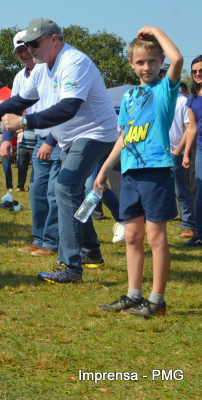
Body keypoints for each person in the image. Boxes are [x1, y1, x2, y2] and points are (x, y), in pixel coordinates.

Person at [0, 17, 119, 284]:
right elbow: (22, 100)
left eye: (34, 43)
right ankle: (91, 251)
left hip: (95, 135)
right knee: (72, 192)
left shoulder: (74, 62)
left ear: (54, 39)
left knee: (64, 189)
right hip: (71, 138)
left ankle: (71, 266)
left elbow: (67, 108)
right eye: (26, 44)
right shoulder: (42, 67)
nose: (29, 49)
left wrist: (24, 121)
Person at [95, 26, 182, 318]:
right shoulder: (130, 98)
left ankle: (157, 301)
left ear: (160, 64)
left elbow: (179, 59)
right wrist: (106, 168)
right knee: (132, 236)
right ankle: (134, 295)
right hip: (130, 173)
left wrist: (156, 31)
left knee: (156, 237)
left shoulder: (164, 91)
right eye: (140, 62)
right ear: (131, 65)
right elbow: (125, 137)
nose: (147, 67)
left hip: (156, 172)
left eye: (152, 61)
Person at [0, 31, 61, 257]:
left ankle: (53, 242)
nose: (25, 53)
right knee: (36, 191)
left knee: (55, 193)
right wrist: (7, 139)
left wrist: (52, 141)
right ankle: (39, 239)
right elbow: (14, 107)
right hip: (37, 138)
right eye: (20, 51)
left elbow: (62, 110)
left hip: (59, 138)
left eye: (28, 47)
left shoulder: (52, 71)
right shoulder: (20, 77)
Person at [167, 69, 195, 238]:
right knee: (157, 188)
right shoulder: (157, 99)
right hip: (158, 152)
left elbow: (189, 129)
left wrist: (178, 150)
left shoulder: (183, 101)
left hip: (176, 151)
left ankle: (189, 225)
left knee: (180, 190)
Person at [182, 55, 202, 246]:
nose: (197, 74)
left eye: (201, 70)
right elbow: (192, 128)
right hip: (200, 148)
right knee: (199, 189)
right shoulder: (192, 98)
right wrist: (187, 153)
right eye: (194, 71)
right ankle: (199, 235)